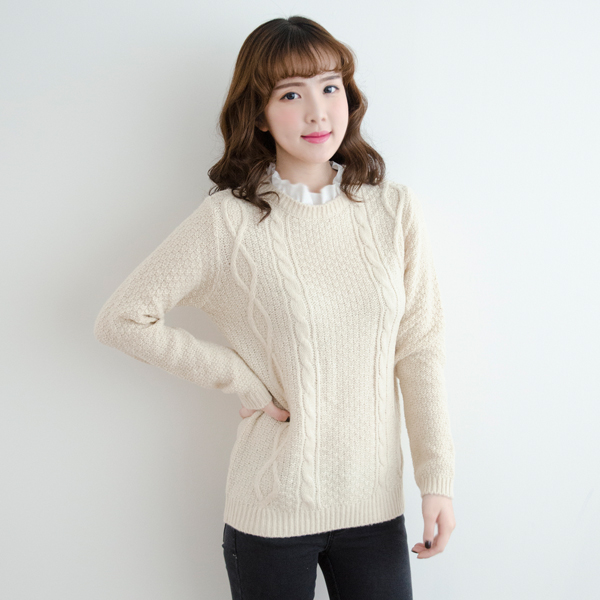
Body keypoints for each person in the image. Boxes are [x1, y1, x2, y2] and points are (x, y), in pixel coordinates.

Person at [93, 15, 456, 600]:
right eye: (291, 95)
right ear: (259, 115)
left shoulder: (394, 210)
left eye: (330, 87)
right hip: (271, 512)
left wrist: (435, 480)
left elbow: (419, 351)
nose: (317, 113)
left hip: (375, 509)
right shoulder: (227, 221)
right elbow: (122, 319)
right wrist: (239, 377)